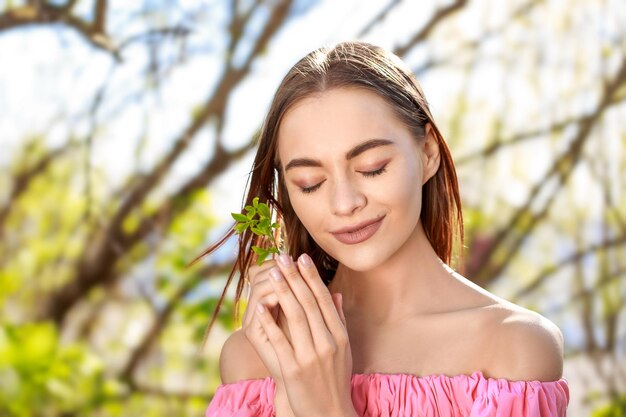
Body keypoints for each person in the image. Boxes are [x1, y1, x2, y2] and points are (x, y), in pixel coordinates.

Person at [200, 41, 570, 416]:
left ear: (428, 154)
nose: (344, 204)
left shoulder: (512, 349)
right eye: (310, 182)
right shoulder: (253, 356)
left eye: (373, 167)